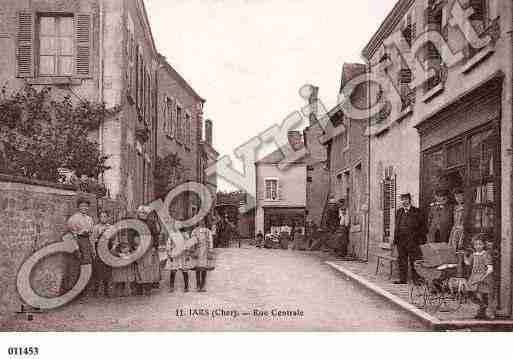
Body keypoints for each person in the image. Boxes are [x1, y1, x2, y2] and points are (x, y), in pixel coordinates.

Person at [393, 193, 426, 284]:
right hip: (401, 240)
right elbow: (397, 226)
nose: (404, 201)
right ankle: (402, 279)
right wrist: (395, 240)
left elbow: (422, 226)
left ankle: (416, 280)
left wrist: (419, 239)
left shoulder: (416, 211)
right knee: (402, 260)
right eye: (402, 199)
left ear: (409, 200)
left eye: (406, 199)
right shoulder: (399, 212)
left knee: (414, 260)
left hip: (413, 241)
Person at [464, 234, 494, 319]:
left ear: (484, 245)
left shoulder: (486, 255)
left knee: (483, 295)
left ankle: (482, 313)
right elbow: (468, 263)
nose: (478, 246)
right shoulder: (473, 255)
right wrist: (464, 256)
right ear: (473, 245)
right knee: (469, 292)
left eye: (480, 244)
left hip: (483, 277)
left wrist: (485, 276)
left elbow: (490, 268)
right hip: (474, 276)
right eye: (476, 244)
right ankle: (482, 305)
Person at [133, 206, 161, 296]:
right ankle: (139, 287)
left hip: (149, 247)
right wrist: (133, 246)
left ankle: (147, 287)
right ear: (138, 213)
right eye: (141, 213)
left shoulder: (151, 223)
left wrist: (154, 247)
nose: (143, 215)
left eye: (145, 213)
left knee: (148, 266)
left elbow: (156, 235)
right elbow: (131, 234)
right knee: (138, 266)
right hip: (138, 247)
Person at [90, 210, 112, 297]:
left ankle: (107, 290)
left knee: (107, 270)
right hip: (98, 249)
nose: (103, 218)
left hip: (107, 250)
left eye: (105, 216)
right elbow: (92, 239)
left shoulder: (111, 227)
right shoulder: (96, 227)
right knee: (98, 269)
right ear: (99, 218)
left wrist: (113, 248)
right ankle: (96, 290)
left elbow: (114, 239)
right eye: (101, 216)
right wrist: (94, 251)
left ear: (108, 217)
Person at [67, 198, 95, 265]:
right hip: (77, 240)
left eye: (86, 206)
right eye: (82, 206)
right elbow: (72, 234)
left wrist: (92, 247)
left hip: (87, 241)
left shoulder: (89, 219)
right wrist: (76, 247)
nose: (84, 208)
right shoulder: (73, 218)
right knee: (77, 261)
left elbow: (91, 234)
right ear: (78, 207)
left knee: (87, 261)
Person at [165, 227, 194, 292]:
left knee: (185, 271)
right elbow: (168, 245)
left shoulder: (185, 235)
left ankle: (186, 287)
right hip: (175, 254)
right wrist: (169, 254)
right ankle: (171, 287)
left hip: (183, 255)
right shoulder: (172, 235)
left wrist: (187, 254)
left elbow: (188, 245)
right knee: (173, 271)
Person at [191, 220, 214, 292]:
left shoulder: (208, 231)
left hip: (205, 251)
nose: (202, 223)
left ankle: (203, 285)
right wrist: (192, 249)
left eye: (203, 221)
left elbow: (210, 241)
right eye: (200, 221)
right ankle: (198, 285)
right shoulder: (194, 231)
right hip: (197, 251)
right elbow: (192, 241)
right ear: (198, 222)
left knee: (204, 268)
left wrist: (210, 250)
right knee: (197, 268)